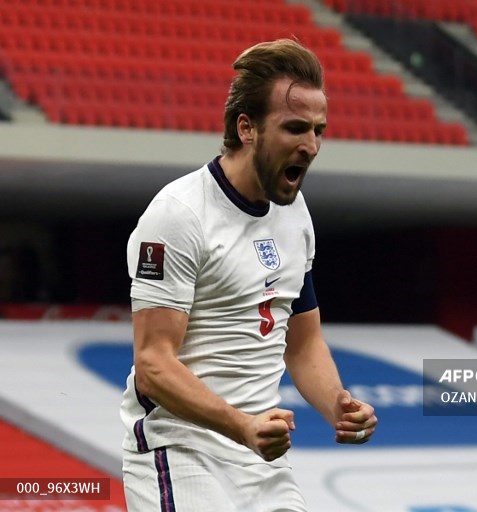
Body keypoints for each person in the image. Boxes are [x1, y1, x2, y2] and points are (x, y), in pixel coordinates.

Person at [120, 39, 377, 511]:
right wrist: (242, 426)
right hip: (182, 452)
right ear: (247, 128)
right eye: (295, 128)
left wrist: (338, 404)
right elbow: (154, 366)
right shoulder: (178, 214)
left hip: (262, 461)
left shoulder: (296, 216)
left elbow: (302, 343)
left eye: (320, 130)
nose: (312, 146)